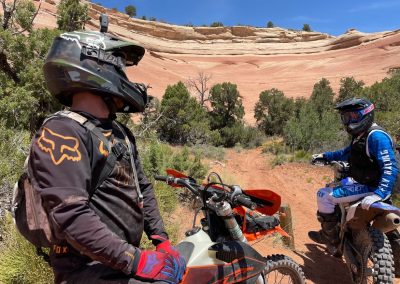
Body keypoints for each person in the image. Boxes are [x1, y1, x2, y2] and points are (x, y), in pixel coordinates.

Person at [28, 28, 186, 283]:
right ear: (98, 65)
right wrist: (137, 260)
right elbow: (71, 215)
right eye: (120, 66)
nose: (124, 75)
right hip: (84, 269)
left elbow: (141, 186)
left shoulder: (120, 132)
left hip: (118, 262)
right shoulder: (61, 131)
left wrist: (161, 240)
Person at [308, 97, 399, 250]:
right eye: (346, 117)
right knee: (345, 183)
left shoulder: (376, 137)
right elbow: (348, 153)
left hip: (373, 187)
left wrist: (379, 193)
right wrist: (326, 156)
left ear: (366, 114)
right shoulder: (363, 135)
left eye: (353, 116)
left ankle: (330, 237)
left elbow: (390, 167)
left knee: (323, 195)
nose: (349, 120)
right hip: (371, 183)